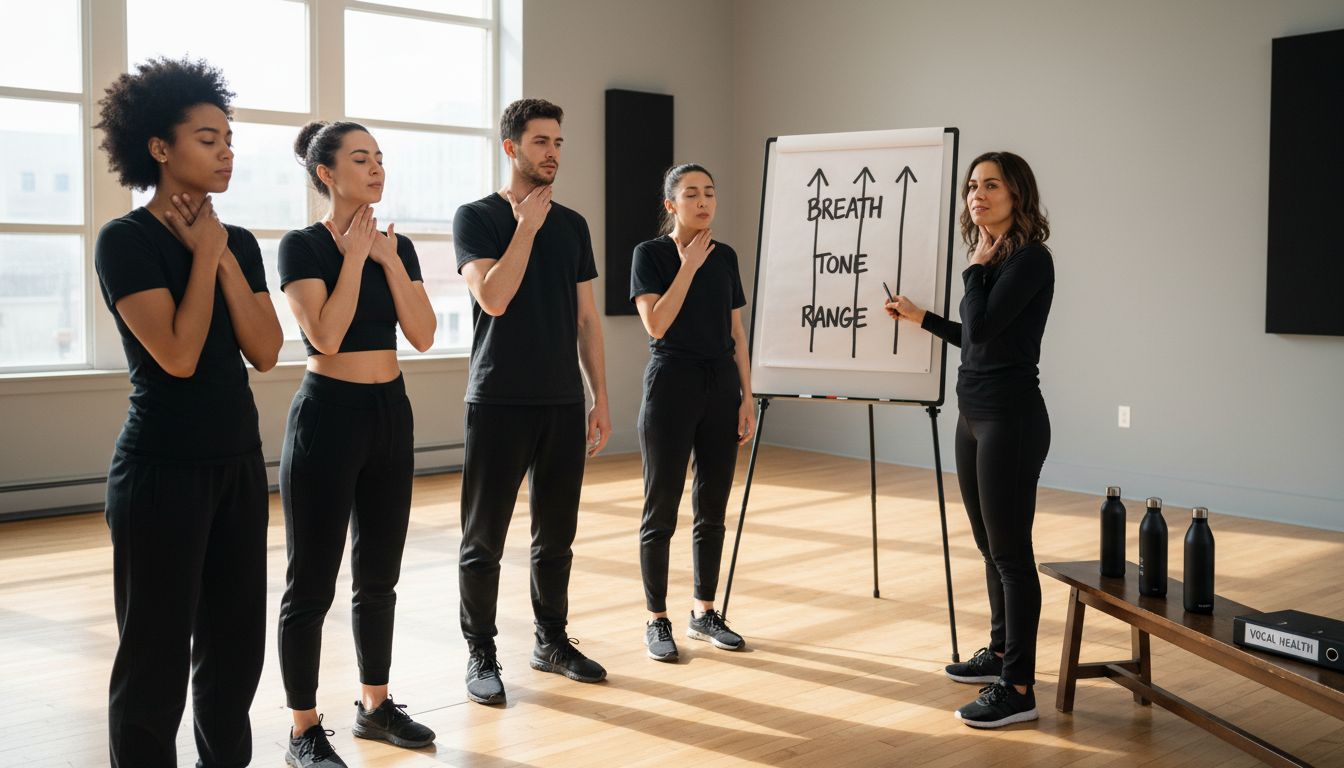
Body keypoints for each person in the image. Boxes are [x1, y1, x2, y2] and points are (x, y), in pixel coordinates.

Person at [93, 57, 283, 767]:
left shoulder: (238, 244)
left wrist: (224, 257)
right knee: (154, 667)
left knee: (234, 660)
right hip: (160, 474)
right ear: (159, 148)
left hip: (236, 464)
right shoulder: (126, 242)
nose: (226, 151)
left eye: (229, 138)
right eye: (208, 138)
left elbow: (264, 350)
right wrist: (203, 257)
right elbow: (176, 352)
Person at [275, 120, 437, 766]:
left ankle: (375, 705)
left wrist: (390, 260)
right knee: (310, 583)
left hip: (389, 413)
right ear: (326, 174)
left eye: (380, 159)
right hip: (328, 417)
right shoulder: (301, 247)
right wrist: (353, 257)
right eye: (361, 159)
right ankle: (302, 729)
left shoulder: (398, 248)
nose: (376, 170)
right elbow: (328, 336)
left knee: (380, 576)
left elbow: (422, 334)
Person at [885, 151, 1054, 729]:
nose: (976, 196)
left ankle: (1020, 688)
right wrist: (921, 318)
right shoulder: (993, 258)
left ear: (1016, 195)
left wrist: (974, 272)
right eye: (971, 187)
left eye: (990, 186)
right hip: (973, 415)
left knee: (1011, 556)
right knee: (989, 548)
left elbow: (983, 326)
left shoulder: (1030, 261)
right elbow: (980, 340)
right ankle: (1002, 651)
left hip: (1012, 420)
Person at [452, 98, 611, 705]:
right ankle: (481, 652)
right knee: (483, 537)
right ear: (511, 147)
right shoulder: (477, 218)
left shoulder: (573, 225)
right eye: (541, 141)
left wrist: (599, 398)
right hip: (497, 400)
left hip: (561, 403)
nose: (553, 153)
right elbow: (493, 297)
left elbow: (587, 320)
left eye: (559, 142)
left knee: (556, 536)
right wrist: (525, 229)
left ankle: (551, 640)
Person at [629, 163, 755, 662]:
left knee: (713, 506)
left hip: (721, 384)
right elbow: (656, 325)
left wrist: (747, 395)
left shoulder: (726, 256)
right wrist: (688, 266)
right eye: (691, 194)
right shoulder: (651, 255)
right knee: (661, 506)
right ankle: (657, 619)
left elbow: (737, 332)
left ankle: (705, 611)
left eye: (710, 193)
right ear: (671, 205)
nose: (703, 202)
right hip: (671, 385)